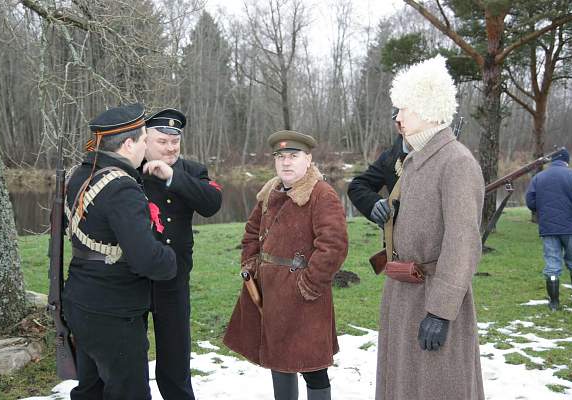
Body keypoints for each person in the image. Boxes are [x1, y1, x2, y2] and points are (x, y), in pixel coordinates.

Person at [374, 55, 485, 400]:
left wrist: (440, 311)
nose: (398, 117)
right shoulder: (414, 160)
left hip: (432, 296)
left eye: (403, 108)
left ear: (425, 108)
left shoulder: (457, 163)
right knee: (404, 386)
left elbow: (462, 242)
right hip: (404, 292)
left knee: (437, 387)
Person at [63, 103, 178, 400]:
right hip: (114, 310)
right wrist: (169, 259)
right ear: (128, 144)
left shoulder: (80, 174)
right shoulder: (122, 188)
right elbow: (147, 260)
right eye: (143, 140)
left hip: (81, 300)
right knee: (129, 392)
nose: (145, 147)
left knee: (91, 389)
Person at [223, 130, 348, 400]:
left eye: (293, 156)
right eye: (280, 156)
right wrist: (251, 263)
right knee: (278, 361)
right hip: (270, 292)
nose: (286, 162)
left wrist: (309, 284)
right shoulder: (271, 190)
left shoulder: (321, 194)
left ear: (308, 159)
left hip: (305, 297)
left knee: (312, 366)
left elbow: (334, 245)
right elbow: (251, 231)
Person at [140, 108, 222, 400]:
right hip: (132, 279)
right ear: (145, 140)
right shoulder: (129, 170)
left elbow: (212, 203)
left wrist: (172, 175)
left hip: (174, 280)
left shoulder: (192, 171)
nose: (170, 147)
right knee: (132, 361)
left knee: (175, 360)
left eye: (175, 142)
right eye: (162, 141)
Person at [525, 148, 572, 311]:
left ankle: (554, 303)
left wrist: (543, 211)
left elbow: (530, 201)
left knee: (552, 264)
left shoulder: (539, 177)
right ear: (566, 161)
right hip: (571, 227)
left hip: (548, 228)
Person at [347, 109, 407, 227]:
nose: (400, 123)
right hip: (396, 240)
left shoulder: (441, 155)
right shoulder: (389, 158)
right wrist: (374, 204)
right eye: (398, 120)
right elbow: (357, 186)